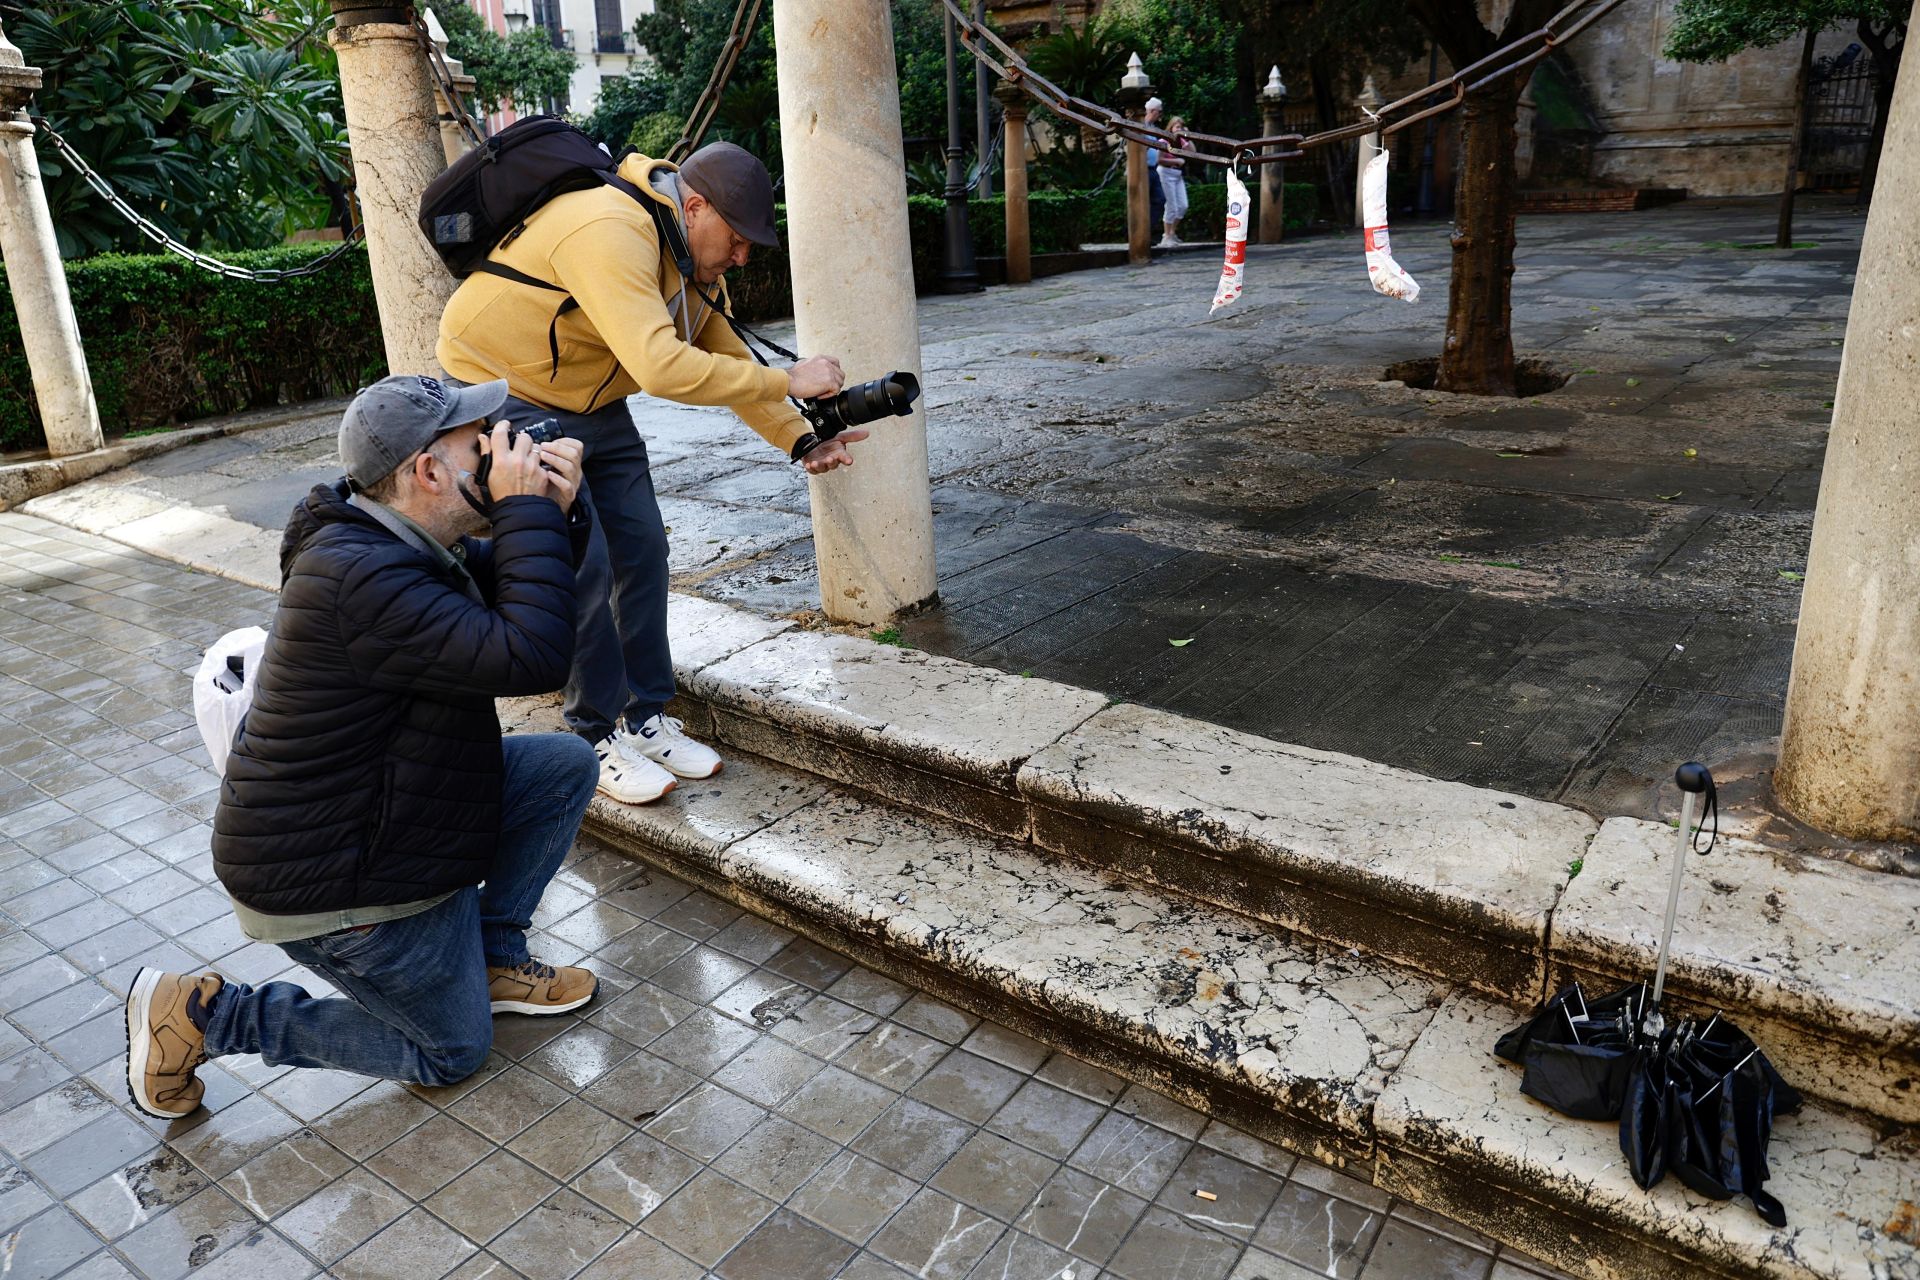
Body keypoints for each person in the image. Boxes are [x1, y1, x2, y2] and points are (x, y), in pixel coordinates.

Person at [124, 375, 601, 1118]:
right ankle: (204, 1016)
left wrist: (555, 517)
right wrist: (528, 512)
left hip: (380, 820)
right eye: (478, 443)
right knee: (449, 1052)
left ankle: (493, 958)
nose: (496, 449)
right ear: (428, 472)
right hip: (333, 881)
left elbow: (516, 593)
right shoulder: (362, 578)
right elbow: (532, 655)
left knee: (561, 766)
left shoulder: (394, 538)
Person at [437, 141, 862, 807]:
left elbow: (725, 362)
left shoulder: (691, 259)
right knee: (585, 561)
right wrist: (793, 375)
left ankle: (646, 715)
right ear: (694, 206)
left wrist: (801, 437)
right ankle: (592, 735)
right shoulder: (609, 227)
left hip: (593, 398)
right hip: (507, 387)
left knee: (644, 550)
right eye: (740, 239)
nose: (744, 257)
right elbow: (663, 366)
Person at [1158, 116, 1194, 247]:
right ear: (1171, 128)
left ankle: (1172, 233)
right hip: (1165, 172)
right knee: (1171, 206)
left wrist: (1188, 137)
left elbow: (1193, 153)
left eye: (1181, 127)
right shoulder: (1164, 140)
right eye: (1177, 127)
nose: (1179, 129)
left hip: (1177, 174)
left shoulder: (1182, 141)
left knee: (1183, 206)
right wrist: (1176, 161)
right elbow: (1159, 160)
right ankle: (1166, 236)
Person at [1144, 97, 1166, 245]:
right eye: (1159, 112)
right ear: (1152, 111)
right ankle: (1143, 234)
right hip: (1143, 170)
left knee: (1159, 200)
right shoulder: (1140, 126)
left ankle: (1147, 231)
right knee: (1144, 201)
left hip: (1153, 169)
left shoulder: (1152, 128)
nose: (1160, 115)